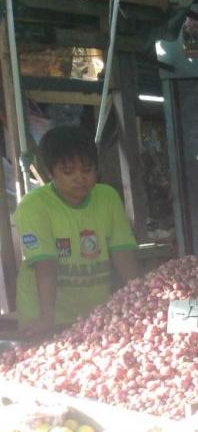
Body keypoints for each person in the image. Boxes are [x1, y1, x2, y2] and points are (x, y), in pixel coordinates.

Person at [14, 125, 140, 336]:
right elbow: (45, 266)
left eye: (87, 169)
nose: (80, 178)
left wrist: (141, 298)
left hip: (94, 315)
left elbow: (123, 254)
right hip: (44, 316)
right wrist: (46, 318)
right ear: (50, 172)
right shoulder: (33, 206)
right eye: (68, 172)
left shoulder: (108, 197)